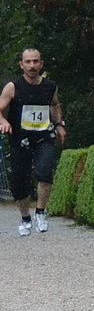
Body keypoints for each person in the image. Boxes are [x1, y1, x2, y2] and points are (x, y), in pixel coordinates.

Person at [0, 48, 68, 235]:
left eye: (35, 61)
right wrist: (4, 121)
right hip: (20, 139)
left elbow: (54, 104)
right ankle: (25, 218)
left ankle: (40, 212)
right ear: (21, 65)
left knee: (45, 172)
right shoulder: (13, 87)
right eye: (28, 62)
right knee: (19, 182)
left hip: (43, 137)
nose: (32, 66)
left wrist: (59, 124)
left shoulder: (50, 86)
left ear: (41, 64)